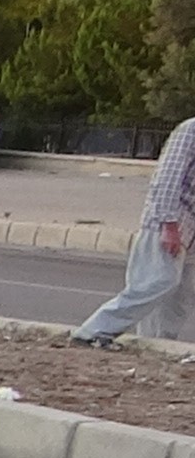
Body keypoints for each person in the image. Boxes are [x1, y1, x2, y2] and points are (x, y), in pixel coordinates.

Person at [74, 114, 195, 346]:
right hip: (169, 222)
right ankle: (94, 331)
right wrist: (169, 225)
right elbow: (168, 177)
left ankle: (158, 343)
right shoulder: (191, 131)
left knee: (180, 294)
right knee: (158, 281)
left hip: (190, 230)